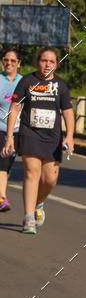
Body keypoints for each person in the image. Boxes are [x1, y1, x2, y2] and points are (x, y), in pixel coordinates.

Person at [3, 46, 74, 234]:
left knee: (50, 179)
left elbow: (67, 112)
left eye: (51, 62)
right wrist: (10, 137)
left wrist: (69, 136)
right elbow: (15, 108)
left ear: (56, 64)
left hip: (53, 137)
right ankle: (28, 218)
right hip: (29, 134)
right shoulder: (27, 81)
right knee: (32, 172)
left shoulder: (61, 85)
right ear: (38, 62)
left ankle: (39, 204)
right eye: (44, 61)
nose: (47, 65)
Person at [0, 48, 22, 212]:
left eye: (13, 61)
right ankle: (2, 197)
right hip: (1, 128)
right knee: (3, 161)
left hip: (18, 131)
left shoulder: (24, 81)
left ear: (19, 64)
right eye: (6, 60)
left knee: (7, 166)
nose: (9, 63)